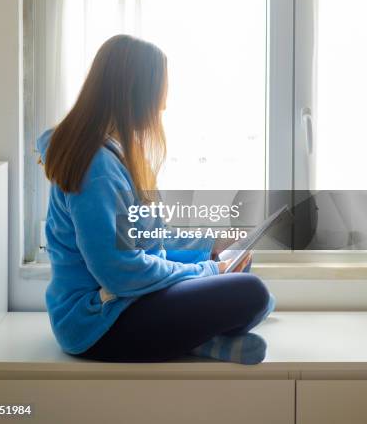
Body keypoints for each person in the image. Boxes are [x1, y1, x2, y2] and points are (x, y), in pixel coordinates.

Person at [37, 34, 273, 363]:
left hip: (128, 300)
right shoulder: (97, 169)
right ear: (133, 95)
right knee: (251, 293)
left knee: (241, 273)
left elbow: (147, 239)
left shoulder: (119, 154)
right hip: (99, 322)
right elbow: (120, 272)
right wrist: (208, 271)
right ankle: (197, 340)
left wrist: (211, 246)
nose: (162, 105)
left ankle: (195, 337)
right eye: (158, 94)